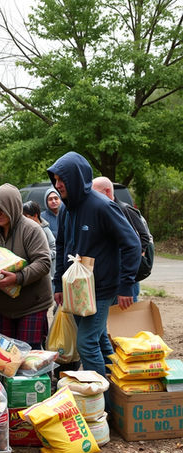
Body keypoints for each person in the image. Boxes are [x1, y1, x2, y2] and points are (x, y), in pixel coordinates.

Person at [47, 152, 141, 381]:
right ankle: (116, 391)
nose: (57, 185)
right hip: (75, 289)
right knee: (98, 341)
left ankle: (99, 398)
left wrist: (126, 285)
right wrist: (58, 284)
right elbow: (62, 245)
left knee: (86, 343)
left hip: (101, 289)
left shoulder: (102, 206)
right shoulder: (66, 208)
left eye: (62, 180)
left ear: (76, 178)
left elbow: (132, 244)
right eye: (55, 180)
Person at [0, 184, 53, 349]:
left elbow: (44, 262)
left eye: (2, 209)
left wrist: (17, 278)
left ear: (13, 207)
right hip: (4, 308)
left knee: (29, 356)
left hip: (33, 305)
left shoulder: (32, 230)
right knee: (8, 355)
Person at [92, 176, 151, 302]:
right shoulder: (102, 211)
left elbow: (144, 236)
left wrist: (135, 256)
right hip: (111, 275)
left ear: (107, 191)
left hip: (128, 273)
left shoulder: (125, 209)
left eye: (95, 193)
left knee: (129, 310)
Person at [23, 200, 56, 280]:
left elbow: (54, 249)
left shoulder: (45, 230)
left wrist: (42, 257)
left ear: (35, 215)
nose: (24, 220)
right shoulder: (26, 230)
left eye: (26, 217)